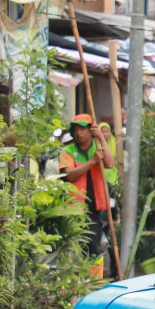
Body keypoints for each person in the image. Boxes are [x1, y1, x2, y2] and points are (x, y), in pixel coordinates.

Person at [59, 114, 117, 270]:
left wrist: (102, 138)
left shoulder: (97, 147)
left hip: (94, 206)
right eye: (76, 129)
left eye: (83, 129)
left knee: (94, 244)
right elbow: (69, 175)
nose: (79, 133)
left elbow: (110, 164)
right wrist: (92, 162)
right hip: (73, 207)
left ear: (90, 131)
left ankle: (93, 280)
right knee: (75, 246)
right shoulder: (67, 151)